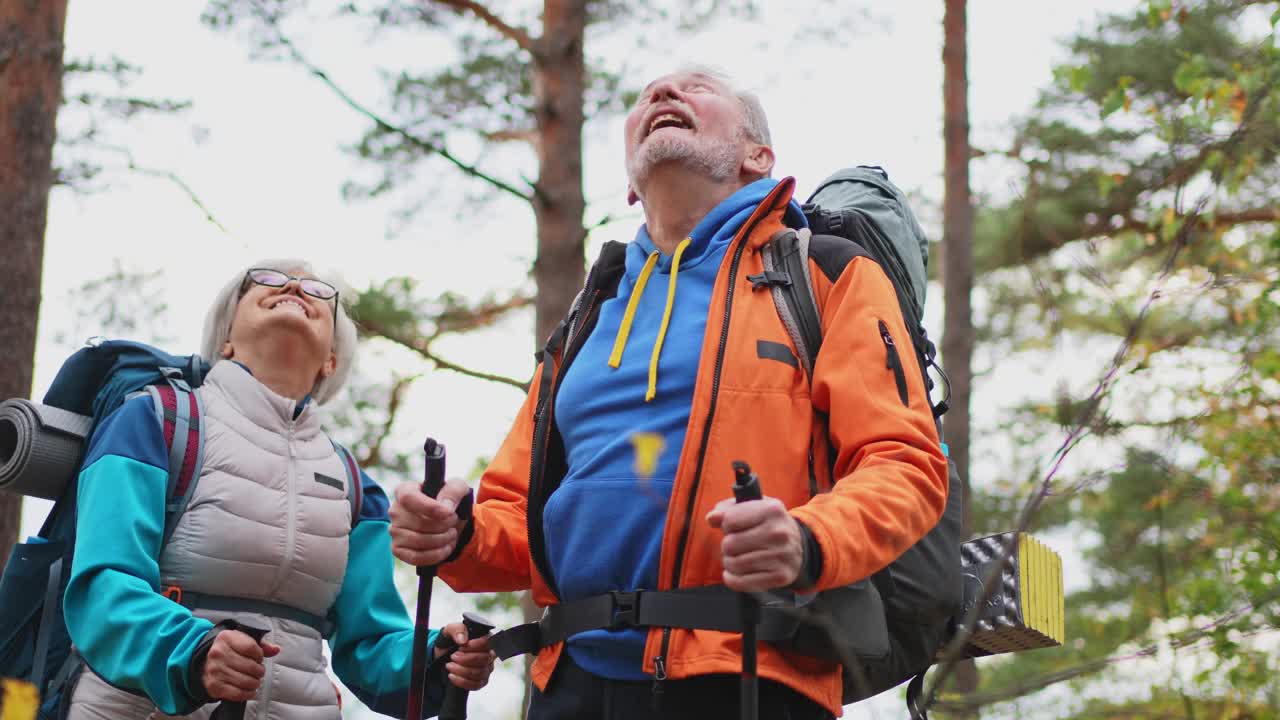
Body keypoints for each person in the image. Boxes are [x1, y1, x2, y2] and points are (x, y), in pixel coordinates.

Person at [389, 66, 949, 719]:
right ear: (630, 183)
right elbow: (521, 515)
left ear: (756, 157)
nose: (662, 93)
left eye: (699, 88)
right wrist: (456, 534)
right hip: (569, 686)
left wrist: (806, 539)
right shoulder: (592, 311)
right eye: (646, 95)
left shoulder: (825, 271)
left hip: (752, 675)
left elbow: (905, 464)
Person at [62, 260, 494, 720]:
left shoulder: (352, 483)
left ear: (331, 358)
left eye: (315, 289)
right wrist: (194, 652)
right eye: (265, 280)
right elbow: (103, 586)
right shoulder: (154, 421)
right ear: (225, 338)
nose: (293, 287)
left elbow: (369, 644)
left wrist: (437, 657)